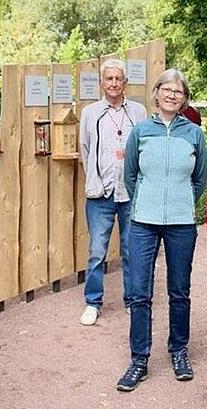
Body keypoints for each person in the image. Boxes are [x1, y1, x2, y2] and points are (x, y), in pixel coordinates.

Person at [115, 69, 207, 392]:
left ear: (184, 99)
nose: (172, 95)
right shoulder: (140, 132)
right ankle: (139, 358)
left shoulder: (194, 134)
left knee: (179, 291)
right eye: (166, 89)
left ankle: (179, 350)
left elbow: (199, 179)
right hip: (143, 221)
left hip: (181, 224)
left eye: (178, 92)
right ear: (156, 94)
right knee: (140, 293)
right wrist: (147, 200)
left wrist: (182, 202)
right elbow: (131, 175)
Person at [78, 59, 147, 326]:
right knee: (97, 251)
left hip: (131, 193)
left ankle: (132, 300)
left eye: (119, 79)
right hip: (101, 193)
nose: (114, 84)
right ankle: (93, 302)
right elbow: (85, 148)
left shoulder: (138, 111)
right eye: (109, 79)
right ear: (102, 83)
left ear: (125, 82)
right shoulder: (91, 112)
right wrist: (96, 178)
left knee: (133, 249)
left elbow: (144, 145)